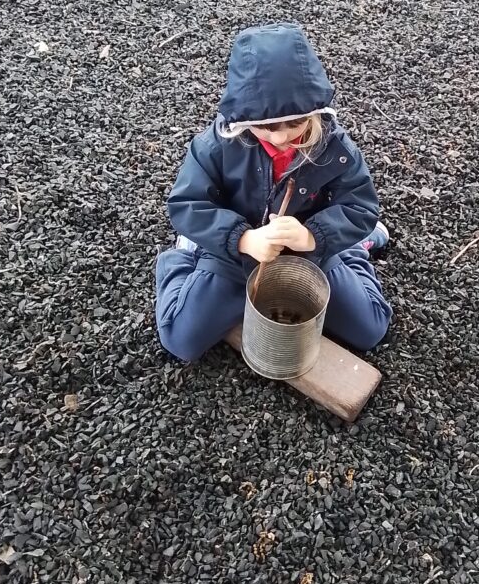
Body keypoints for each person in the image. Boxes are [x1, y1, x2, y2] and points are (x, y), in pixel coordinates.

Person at [155, 23, 392, 363]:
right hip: (235, 254)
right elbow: (186, 204)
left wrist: (314, 235)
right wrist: (241, 239)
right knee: (180, 339)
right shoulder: (216, 145)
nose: (280, 138)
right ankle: (186, 253)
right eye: (266, 127)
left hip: (309, 253)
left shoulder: (336, 147)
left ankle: (356, 248)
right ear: (242, 117)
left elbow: (361, 207)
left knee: (370, 329)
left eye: (294, 124)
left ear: (314, 112)